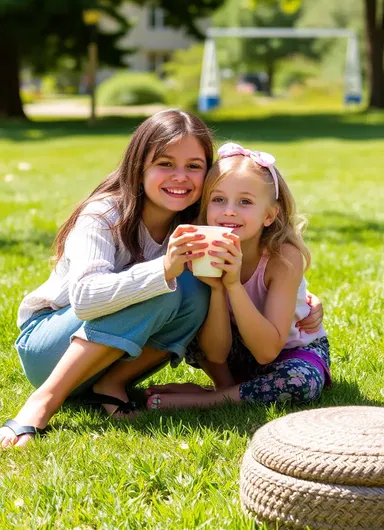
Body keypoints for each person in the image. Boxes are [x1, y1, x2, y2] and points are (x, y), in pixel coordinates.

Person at [1, 119, 322, 449]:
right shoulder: (103, 215)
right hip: (50, 349)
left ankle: (111, 386)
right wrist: (163, 269)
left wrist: (302, 297)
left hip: (102, 364)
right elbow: (84, 299)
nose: (180, 176)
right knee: (169, 286)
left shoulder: (195, 223)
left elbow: (263, 273)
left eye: (194, 166)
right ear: (139, 167)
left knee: (193, 288)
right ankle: (41, 403)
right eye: (165, 164)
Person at [146, 142, 330, 411]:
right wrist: (219, 290)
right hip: (236, 353)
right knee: (192, 316)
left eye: (245, 202)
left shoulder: (282, 258)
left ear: (269, 215)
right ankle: (227, 389)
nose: (229, 211)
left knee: (299, 382)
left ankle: (208, 399)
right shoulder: (202, 249)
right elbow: (215, 353)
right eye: (218, 200)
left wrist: (233, 284)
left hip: (290, 352)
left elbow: (268, 351)